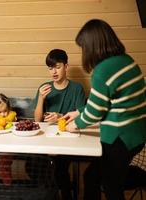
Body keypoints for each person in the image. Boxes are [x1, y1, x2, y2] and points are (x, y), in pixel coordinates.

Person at [63, 19, 146, 200]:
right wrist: (78, 111)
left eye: (83, 47)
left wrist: (75, 124)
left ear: (92, 46)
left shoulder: (102, 70)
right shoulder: (126, 60)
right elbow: (110, 101)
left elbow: (95, 113)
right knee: (93, 176)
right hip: (137, 134)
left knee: (111, 186)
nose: (84, 52)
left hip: (120, 138)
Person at [33, 49, 86, 200]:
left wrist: (60, 117)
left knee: (59, 167)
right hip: (46, 137)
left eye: (57, 67)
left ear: (66, 66)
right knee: (33, 164)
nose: (53, 72)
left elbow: (81, 116)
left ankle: (65, 194)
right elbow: (37, 120)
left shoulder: (76, 88)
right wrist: (41, 98)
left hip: (68, 137)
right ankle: (50, 194)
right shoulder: (45, 87)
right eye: (50, 68)